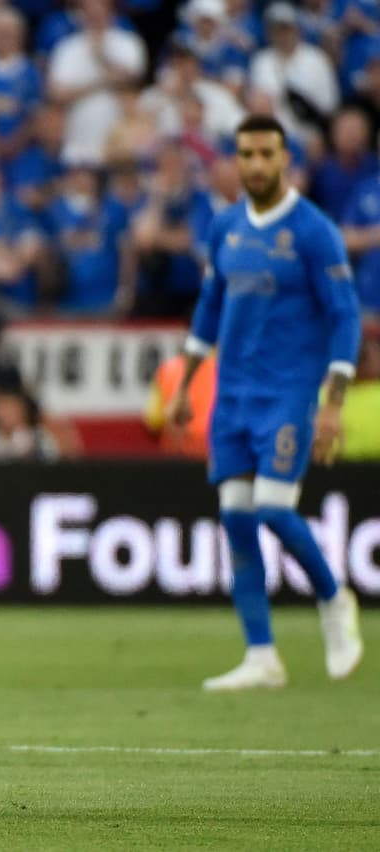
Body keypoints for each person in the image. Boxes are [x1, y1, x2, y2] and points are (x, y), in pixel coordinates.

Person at [166, 115, 364, 692]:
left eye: (266, 154)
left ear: (285, 160)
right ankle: (261, 655)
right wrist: (185, 386)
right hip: (232, 395)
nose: (255, 164)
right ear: (235, 160)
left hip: (288, 393)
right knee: (235, 517)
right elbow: (209, 308)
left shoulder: (313, 231)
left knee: (274, 509)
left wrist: (332, 403)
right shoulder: (225, 226)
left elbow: (346, 317)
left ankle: (334, 599)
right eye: (246, 154)